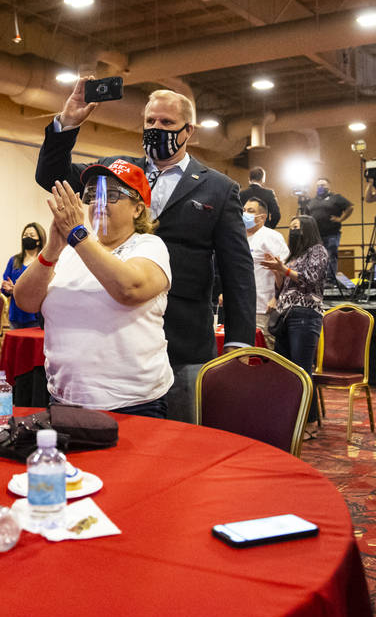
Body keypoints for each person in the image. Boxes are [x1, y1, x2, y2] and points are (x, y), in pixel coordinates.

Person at [36, 82, 255, 424]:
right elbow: (51, 176)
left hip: (183, 336)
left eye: (167, 123)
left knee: (179, 447)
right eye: (150, 122)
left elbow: (237, 270)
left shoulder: (219, 187)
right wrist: (67, 123)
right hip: (117, 339)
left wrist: (239, 342)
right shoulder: (115, 171)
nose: (156, 129)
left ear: (189, 131)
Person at [14, 161, 172, 416]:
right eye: (93, 195)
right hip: (65, 401)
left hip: (134, 404)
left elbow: (130, 289)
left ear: (138, 209)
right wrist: (53, 248)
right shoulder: (70, 251)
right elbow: (25, 301)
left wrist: (77, 235)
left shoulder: (149, 246)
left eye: (111, 195)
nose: (98, 202)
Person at [261, 215, 327, 429]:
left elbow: (310, 279)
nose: (293, 231)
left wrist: (285, 270)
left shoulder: (317, 250)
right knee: (286, 370)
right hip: (285, 315)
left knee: (301, 369)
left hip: (306, 314)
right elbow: (282, 290)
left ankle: (308, 423)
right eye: (291, 228)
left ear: (307, 229)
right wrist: (278, 273)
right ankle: (290, 419)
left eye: (297, 227)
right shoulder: (293, 255)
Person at [242, 197, 289, 343]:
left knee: (263, 354)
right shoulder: (239, 235)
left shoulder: (271, 236)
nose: (245, 213)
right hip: (242, 306)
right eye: (244, 210)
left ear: (261, 217)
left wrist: (276, 297)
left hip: (263, 307)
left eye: (250, 211)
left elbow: (285, 269)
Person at [302, 177, 353, 281]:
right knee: (316, 256)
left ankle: (331, 278)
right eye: (318, 185)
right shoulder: (312, 201)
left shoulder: (336, 198)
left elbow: (350, 207)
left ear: (328, 186)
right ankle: (317, 277)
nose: (320, 187)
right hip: (316, 234)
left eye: (323, 185)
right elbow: (306, 216)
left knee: (330, 255)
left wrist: (340, 219)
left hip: (332, 233)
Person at [0, 222, 45, 328]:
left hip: (35, 317)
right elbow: (4, 287)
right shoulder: (14, 260)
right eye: (25, 235)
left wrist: (18, 290)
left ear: (39, 241)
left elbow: (44, 289)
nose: (27, 238)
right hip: (16, 316)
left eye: (31, 236)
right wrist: (6, 288)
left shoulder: (43, 261)